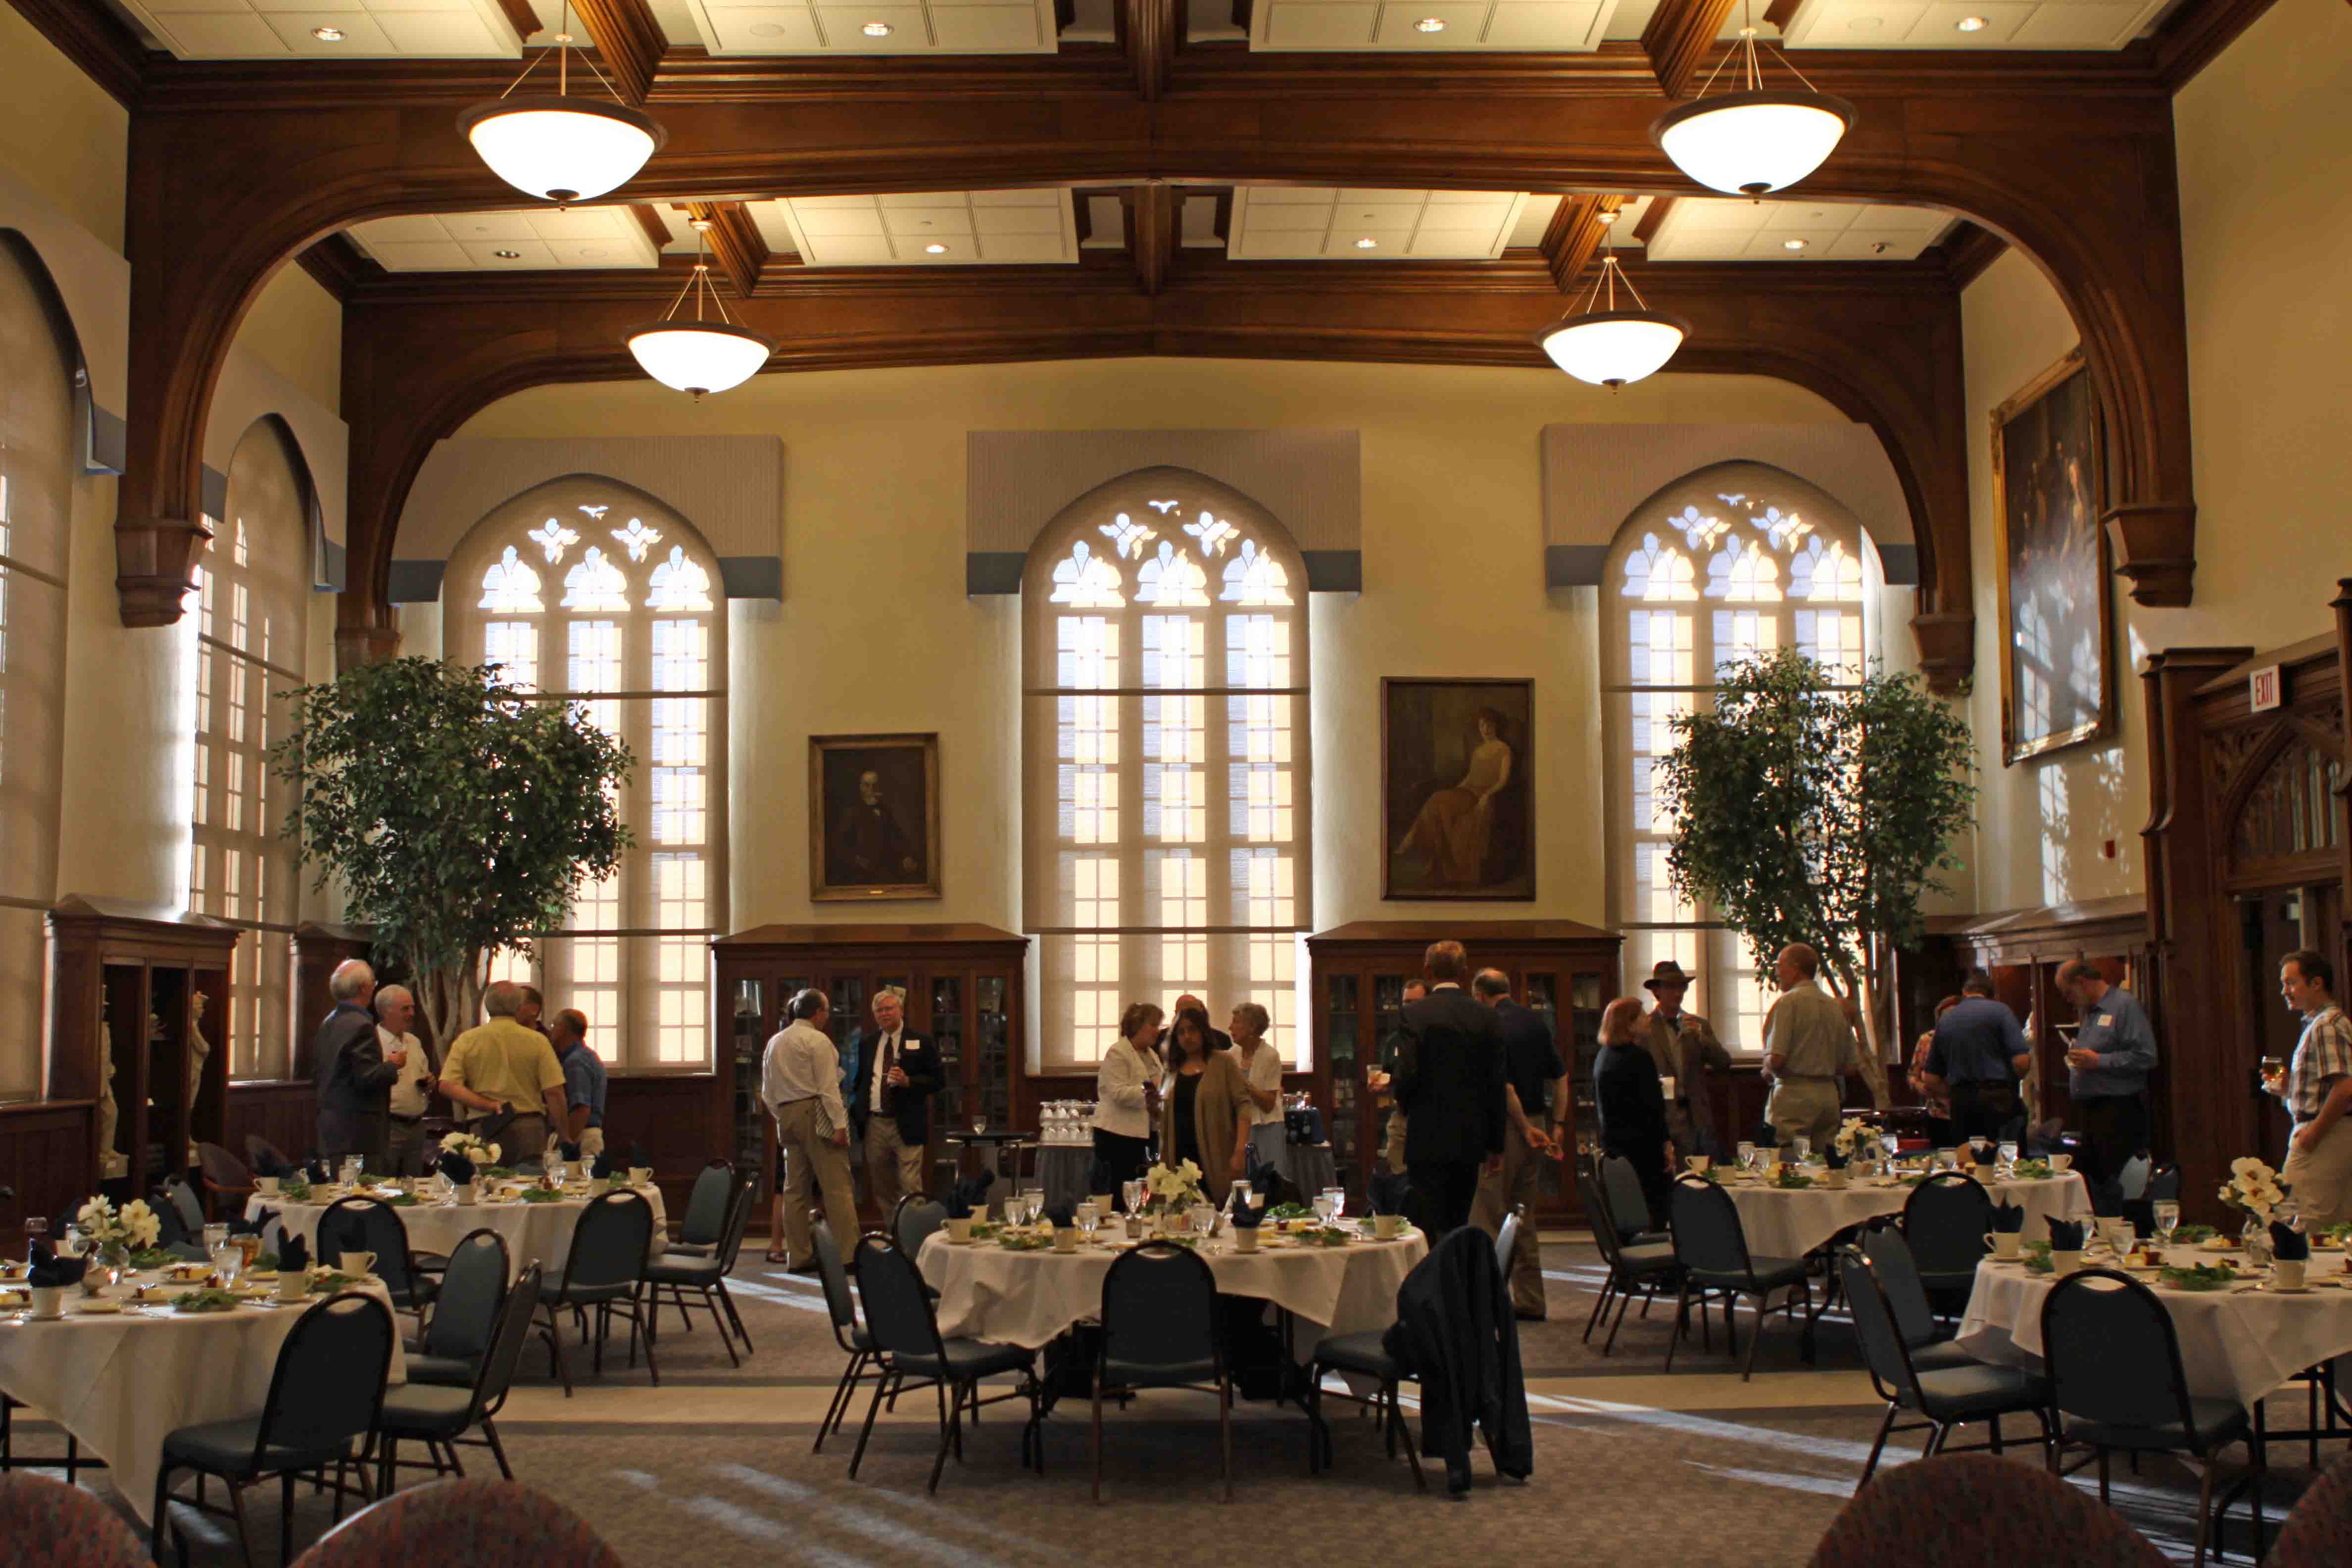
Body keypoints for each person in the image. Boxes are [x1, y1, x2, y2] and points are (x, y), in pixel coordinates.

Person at [1391, 940, 1507, 1236]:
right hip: (1470, 1137)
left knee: (1425, 1224)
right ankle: (1454, 1279)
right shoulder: (1486, 1017)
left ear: (1427, 971)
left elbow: (1406, 1074)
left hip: (1426, 1135)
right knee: (1457, 1222)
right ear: (1464, 972)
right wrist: (1496, 1145)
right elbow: (1496, 1083)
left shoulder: (1415, 1015)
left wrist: (1406, 1107)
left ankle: (1430, 1279)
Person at [1467, 969, 1562, 1321]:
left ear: (1479, 996)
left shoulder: (1488, 1026)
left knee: (1489, 1215)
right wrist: (1560, 1126)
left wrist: (1521, 1128)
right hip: (1539, 1122)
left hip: (1505, 1127)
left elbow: (1504, 1088)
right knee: (1524, 1215)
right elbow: (1562, 1077)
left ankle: (1490, 1303)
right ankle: (1532, 1299)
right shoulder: (1536, 1023)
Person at [762, 988, 858, 1273]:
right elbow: (828, 1088)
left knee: (794, 1189)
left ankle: (799, 1256)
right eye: (827, 1012)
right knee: (837, 1185)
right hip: (816, 1112)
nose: (827, 1017)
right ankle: (849, 1255)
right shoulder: (817, 1040)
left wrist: (783, 1115)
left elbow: (767, 1092)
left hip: (786, 1115)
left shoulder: (775, 1042)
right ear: (817, 1013)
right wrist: (839, 1125)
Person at [2056, 958, 2158, 1216]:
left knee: (2114, 1184)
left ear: (2081, 982)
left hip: (2118, 1110)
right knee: (2095, 1183)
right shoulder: (2091, 1012)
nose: (2067, 1000)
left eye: (2068, 992)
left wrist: (2098, 1061)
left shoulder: (2124, 1007)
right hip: (2091, 1110)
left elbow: (2146, 1056)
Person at [2263, 950, 2352, 1229]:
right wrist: (2290, 1089)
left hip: (2326, 1135)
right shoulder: (2321, 1023)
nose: (2284, 991)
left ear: (2316, 983)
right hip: (2330, 1132)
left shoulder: (2327, 1026)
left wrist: (2313, 1134)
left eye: (2291, 983)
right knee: (2334, 1228)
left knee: (2298, 1226)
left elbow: (2346, 1087)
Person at [439, 980, 570, 1162]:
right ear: (518, 1006)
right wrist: (564, 1135)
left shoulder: (467, 1040)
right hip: (528, 1128)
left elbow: (447, 1085)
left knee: (484, 1186)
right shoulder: (538, 1041)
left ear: (487, 1005)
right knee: (529, 1186)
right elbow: (554, 1092)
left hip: (484, 1127)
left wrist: (486, 1105)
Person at [1394, 708, 1514, 888]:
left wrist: (1487, 795)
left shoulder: (1504, 749)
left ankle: (1411, 840)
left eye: (1489, 725)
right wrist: (1456, 790)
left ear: (1496, 727)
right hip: (1466, 792)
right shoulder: (1478, 750)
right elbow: (1470, 778)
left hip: (1480, 796)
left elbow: (1503, 780)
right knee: (1438, 802)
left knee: (1437, 800)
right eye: (1482, 725)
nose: (1485, 729)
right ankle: (1437, 861)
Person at [849, 986, 941, 1217]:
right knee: (883, 1187)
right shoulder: (868, 1043)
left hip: (907, 1122)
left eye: (889, 1008)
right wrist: (856, 1109)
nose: (884, 1014)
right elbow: (861, 1080)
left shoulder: (921, 1041)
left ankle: (915, 1240)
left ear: (901, 1010)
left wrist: (909, 1082)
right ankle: (896, 1237)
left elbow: (939, 1080)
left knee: (910, 1185)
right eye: (879, 1011)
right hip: (875, 1124)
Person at [1762, 943, 1860, 1155]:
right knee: (1826, 1164)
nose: (1777, 972)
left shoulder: (1788, 1003)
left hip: (1794, 1096)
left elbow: (1777, 1059)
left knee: (1789, 1163)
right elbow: (1851, 1067)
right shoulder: (1836, 1007)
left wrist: (1767, 1068)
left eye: (1780, 965)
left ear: (1795, 968)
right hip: (1829, 1097)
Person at [1920, 969, 2031, 1143]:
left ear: (1965, 993)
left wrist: (1956, 1093)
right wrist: (2010, 1084)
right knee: (2004, 1159)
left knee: (1968, 1160)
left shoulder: (1946, 1020)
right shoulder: (2001, 1012)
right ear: (1991, 995)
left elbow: (1931, 1078)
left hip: (1962, 1102)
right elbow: (2022, 1062)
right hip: (1999, 1098)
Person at [1157, 1008, 1254, 1205]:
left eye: (1192, 1030)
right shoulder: (1171, 1070)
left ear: (1203, 1032)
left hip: (1216, 1152)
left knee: (1217, 1209)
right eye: (1181, 1032)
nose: (1187, 1037)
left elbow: (1244, 1106)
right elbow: (1163, 1113)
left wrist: (1240, 1151)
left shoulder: (1224, 1063)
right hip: (1178, 1154)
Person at [313, 959, 402, 1171]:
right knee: (362, 1198)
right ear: (364, 988)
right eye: (374, 983)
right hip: (359, 1133)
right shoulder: (361, 1025)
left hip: (331, 1128)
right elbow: (367, 1078)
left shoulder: (328, 1022)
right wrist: (393, 1065)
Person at [1639, 960, 1730, 1165]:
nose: (1678, 993)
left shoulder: (1699, 1025)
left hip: (1696, 1117)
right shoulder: (1645, 1029)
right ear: (1657, 992)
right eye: (1671, 987)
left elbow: (1724, 1062)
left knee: (1702, 1180)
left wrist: (1701, 1037)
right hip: (1661, 1117)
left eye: (1682, 987)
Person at [1593, 996, 1673, 1219]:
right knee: (1654, 1213)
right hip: (1643, 1152)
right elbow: (1653, 1109)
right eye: (1641, 1015)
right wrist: (1666, 1145)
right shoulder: (1639, 1059)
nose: (1648, 1018)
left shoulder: (1603, 1056)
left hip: (1615, 1150)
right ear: (1628, 1024)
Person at [1093, 1003, 1165, 1197]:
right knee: (1119, 1192)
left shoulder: (1152, 1055)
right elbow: (1119, 1094)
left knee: (1141, 1191)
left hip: (1146, 1133)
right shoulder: (1118, 1052)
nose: (1158, 1031)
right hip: (1118, 1134)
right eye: (1154, 1025)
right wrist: (1152, 1088)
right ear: (1138, 1026)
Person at [1367, 980, 1426, 1175]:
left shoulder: (1437, 1037)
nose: (1410, 1007)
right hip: (1402, 1117)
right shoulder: (1395, 1040)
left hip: (1430, 1119)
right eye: (1406, 1002)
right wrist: (1378, 1085)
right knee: (1399, 1178)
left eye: (1416, 1002)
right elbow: (1387, 1076)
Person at [376, 984, 436, 1177]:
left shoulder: (414, 1042)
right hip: (388, 1126)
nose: (412, 1013)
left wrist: (430, 1083)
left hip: (417, 1126)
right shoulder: (372, 1042)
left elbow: (422, 1076)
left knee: (414, 1189)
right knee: (384, 1186)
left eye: (412, 1008)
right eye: (405, 1009)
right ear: (386, 1011)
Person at [830, 769, 921, 885]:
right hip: (858, 870)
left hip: (883, 866)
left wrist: (907, 855)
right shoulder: (852, 811)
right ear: (861, 787)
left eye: (875, 786)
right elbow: (840, 844)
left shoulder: (885, 810)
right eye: (867, 785)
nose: (871, 790)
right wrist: (857, 860)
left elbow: (897, 836)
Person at [1230, 1002, 1287, 1179]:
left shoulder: (1271, 1056)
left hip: (1267, 1127)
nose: (1230, 1027)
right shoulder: (1231, 1055)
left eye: (1236, 1023)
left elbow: (1269, 1104)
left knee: (1269, 1181)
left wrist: (1245, 1085)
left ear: (1252, 1027)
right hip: (1240, 1126)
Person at [551, 1009, 608, 1159]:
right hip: (587, 1135)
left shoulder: (575, 1061)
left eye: (554, 1026)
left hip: (581, 1137)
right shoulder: (587, 1056)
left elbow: (581, 1109)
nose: (551, 1031)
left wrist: (565, 1143)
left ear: (563, 1029)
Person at [1909, 995, 1963, 1150]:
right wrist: (1920, 1086)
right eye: (1945, 1017)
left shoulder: (1972, 1039)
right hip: (1937, 1113)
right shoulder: (1927, 1040)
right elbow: (1912, 1075)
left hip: (1968, 1111)